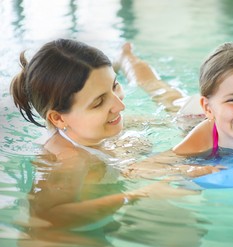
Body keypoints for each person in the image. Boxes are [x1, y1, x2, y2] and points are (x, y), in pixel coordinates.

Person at [9, 39, 210, 231]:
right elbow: (51, 218)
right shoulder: (68, 161)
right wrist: (142, 194)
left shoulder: (89, 127)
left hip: (110, 143)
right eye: (98, 102)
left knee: (169, 98)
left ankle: (126, 59)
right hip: (113, 158)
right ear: (59, 119)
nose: (120, 105)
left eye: (114, 86)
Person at [116, 42, 233, 159]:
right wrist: (189, 171)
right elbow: (144, 169)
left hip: (222, 112)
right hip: (190, 116)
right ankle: (127, 59)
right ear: (208, 107)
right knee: (161, 92)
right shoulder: (201, 140)